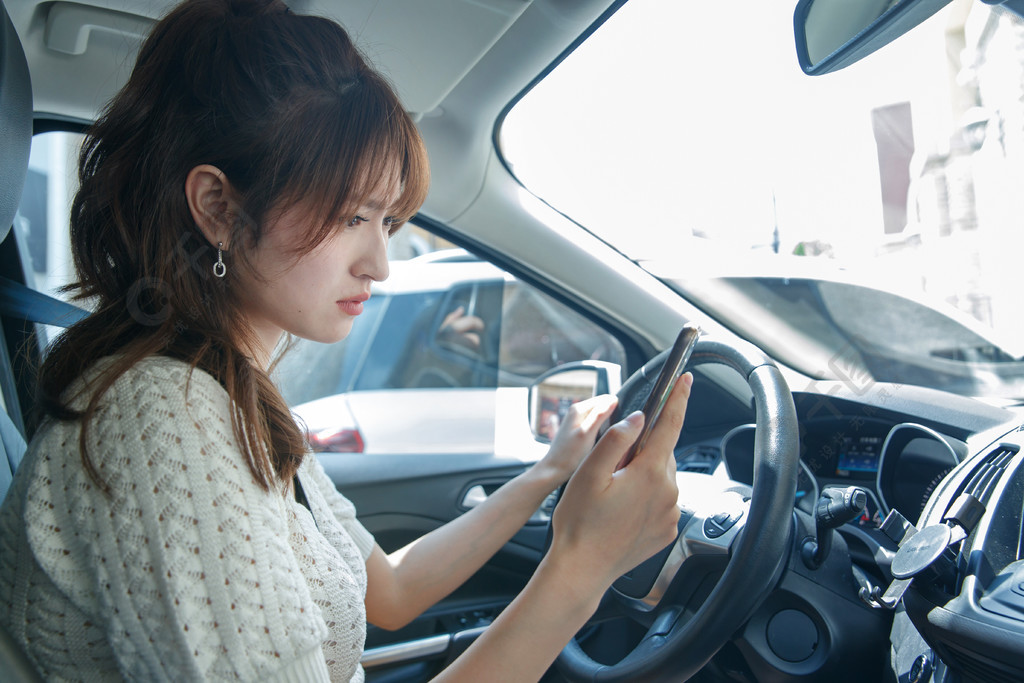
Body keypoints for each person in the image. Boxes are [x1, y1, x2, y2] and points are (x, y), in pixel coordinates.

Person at [0, 0, 691, 680]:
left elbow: (389, 589)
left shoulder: (226, 392)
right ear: (217, 205)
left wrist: (549, 470)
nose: (379, 263)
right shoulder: (163, 420)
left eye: (387, 221)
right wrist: (583, 568)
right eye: (351, 214)